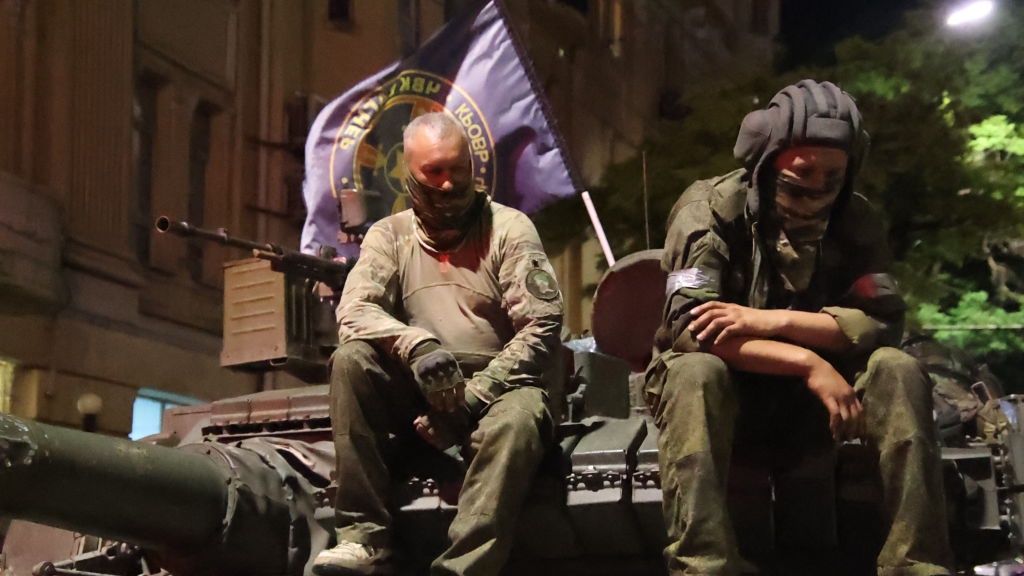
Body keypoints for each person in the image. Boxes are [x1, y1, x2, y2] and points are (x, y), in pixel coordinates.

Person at [645, 80, 953, 575]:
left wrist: (774, 320)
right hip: (729, 391)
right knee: (693, 372)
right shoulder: (708, 211)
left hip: (826, 403)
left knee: (897, 368)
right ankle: (703, 564)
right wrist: (808, 361)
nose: (816, 187)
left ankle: (914, 562)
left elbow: (883, 324)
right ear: (765, 160)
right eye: (802, 171)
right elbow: (692, 327)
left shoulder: (856, 220)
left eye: (833, 173)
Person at [312, 111, 563, 576]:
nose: (448, 184)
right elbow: (353, 312)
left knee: (518, 423)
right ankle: (362, 538)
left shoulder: (509, 228)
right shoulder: (390, 235)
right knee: (350, 361)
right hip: (418, 379)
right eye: (435, 172)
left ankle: (461, 567)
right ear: (411, 172)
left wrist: (472, 395)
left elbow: (542, 326)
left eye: (458, 169)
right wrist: (415, 346)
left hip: (502, 384)